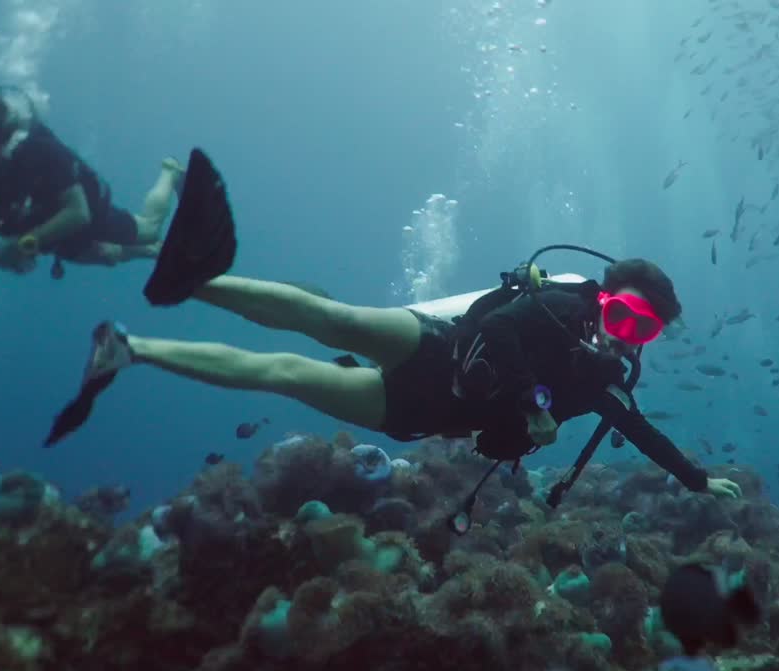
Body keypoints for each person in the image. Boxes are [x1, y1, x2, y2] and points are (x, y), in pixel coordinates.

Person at [44, 148, 743, 502]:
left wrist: (694, 479)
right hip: (436, 344)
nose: (623, 333)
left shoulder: (603, 380)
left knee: (284, 375)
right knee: (332, 317)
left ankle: (130, 347)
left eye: (642, 330)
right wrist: (535, 404)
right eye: (622, 314)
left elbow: (639, 429)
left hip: (420, 410)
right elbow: (500, 334)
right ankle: (190, 277)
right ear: (603, 296)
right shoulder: (565, 304)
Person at [0, 83, 184, 278]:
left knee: (149, 230)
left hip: (83, 210)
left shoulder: (37, 146)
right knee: (109, 256)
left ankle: (169, 171)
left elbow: (78, 213)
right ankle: (156, 252)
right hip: (40, 229)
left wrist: (18, 248)